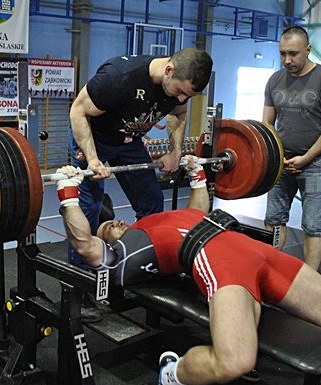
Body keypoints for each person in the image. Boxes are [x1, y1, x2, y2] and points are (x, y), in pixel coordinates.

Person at [54, 156, 321, 385]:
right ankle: (172, 373)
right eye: (108, 229)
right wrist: (68, 195)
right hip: (219, 262)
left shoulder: (155, 220)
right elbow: (84, 246)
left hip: (255, 251)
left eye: (115, 221)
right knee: (233, 361)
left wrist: (197, 176)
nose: (116, 224)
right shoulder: (129, 251)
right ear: (109, 242)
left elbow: (198, 211)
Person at [67, 48, 213, 268]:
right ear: (169, 69)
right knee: (89, 208)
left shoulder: (179, 90)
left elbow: (179, 113)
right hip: (94, 138)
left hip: (129, 142)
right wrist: (93, 159)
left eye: (188, 96)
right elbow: (78, 111)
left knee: (152, 201)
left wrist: (175, 151)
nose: (181, 98)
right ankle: (80, 276)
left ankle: (139, 261)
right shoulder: (119, 77)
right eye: (180, 91)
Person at [262, 26, 321, 270]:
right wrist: (276, 157)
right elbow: (267, 123)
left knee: (313, 224)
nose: (287, 60)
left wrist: (306, 158)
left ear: (308, 50)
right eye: (282, 53)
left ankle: (311, 280)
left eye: (294, 53)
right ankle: (271, 272)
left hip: (315, 163)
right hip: (281, 162)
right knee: (274, 219)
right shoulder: (275, 80)